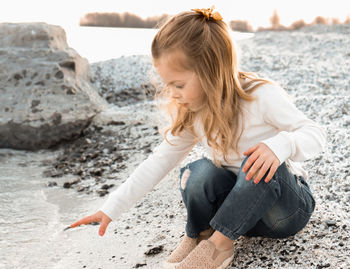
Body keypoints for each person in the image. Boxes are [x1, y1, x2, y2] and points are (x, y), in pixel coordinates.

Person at [71, 6, 326, 269]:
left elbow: (315, 135)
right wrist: (111, 208)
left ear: (210, 71)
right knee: (196, 172)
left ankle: (219, 247)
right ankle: (202, 234)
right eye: (167, 85)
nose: (173, 94)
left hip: (284, 211)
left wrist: (280, 146)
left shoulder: (259, 95)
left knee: (258, 166)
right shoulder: (195, 111)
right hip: (240, 217)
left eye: (178, 85)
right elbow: (158, 162)